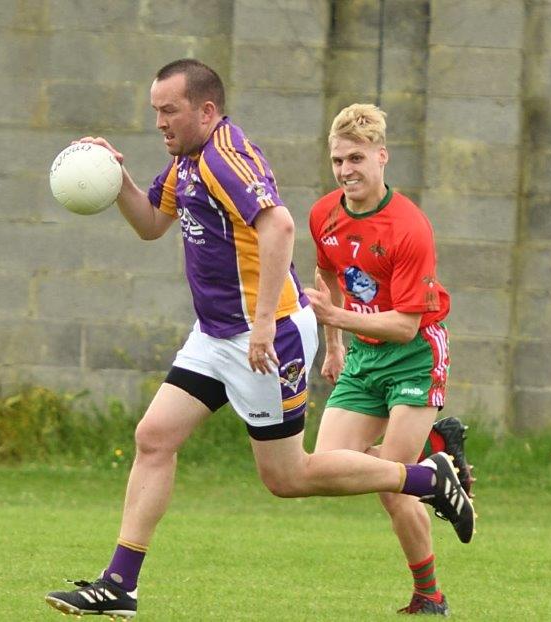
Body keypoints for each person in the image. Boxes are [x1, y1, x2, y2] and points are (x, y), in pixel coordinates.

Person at [44, 60, 474, 620]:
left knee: (288, 477)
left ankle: (426, 477)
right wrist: (112, 173)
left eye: (168, 110)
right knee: (153, 437)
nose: (159, 122)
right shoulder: (188, 161)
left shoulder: (224, 158)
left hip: (263, 337)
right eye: (154, 111)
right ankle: (119, 584)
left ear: (205, 110)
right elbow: (152, 223)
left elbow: (280, 225)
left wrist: (266, 321)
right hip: (217, 333)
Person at [304, 103, 470, 615]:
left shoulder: (409, 228)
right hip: (362, 358)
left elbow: (403, 323)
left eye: (356, 158)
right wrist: (333, 347)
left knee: (393, 481)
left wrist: (338, 319)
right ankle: (437, 461)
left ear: (382, 157)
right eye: (337, 160)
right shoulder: (323, 213)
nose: (346, 170)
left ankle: (429, 595)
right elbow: (327, 271)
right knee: (323, 470)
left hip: (414, 354)